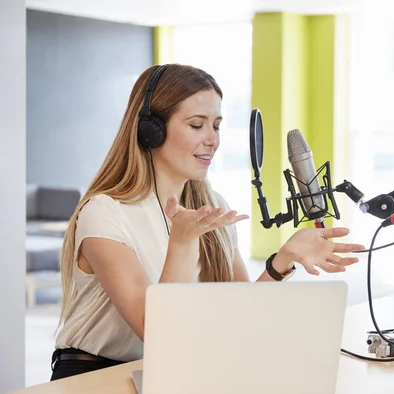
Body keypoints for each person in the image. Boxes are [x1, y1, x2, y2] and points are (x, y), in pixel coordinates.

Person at [50, 63, 365, 381]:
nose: (213, 139)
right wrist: (183, 242)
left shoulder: (212, 207)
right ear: (151, 130)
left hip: (172, 372)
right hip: (92, 374)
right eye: (197, 125)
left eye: (216, 125)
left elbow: (243, 315)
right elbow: (158, 332)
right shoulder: (105, 212)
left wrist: (282, 260)